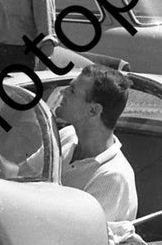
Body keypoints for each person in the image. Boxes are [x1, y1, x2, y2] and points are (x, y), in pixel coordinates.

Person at [53, 66, 138, 224]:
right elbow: (19, 175)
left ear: (93, 110)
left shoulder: (112, 177)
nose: (62, 92)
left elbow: (80, 237)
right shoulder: (67, 135)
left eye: (72, 91)